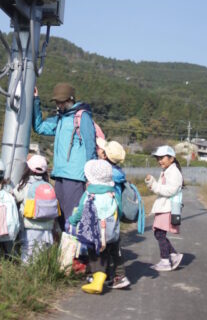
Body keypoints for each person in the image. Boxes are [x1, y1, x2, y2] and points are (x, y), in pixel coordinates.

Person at [32, 83, 97, 228]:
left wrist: (91, 178)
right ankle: (67, 249)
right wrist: (36, 100)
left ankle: (77, 250)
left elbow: (90, 146)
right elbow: (39, 127)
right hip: (60, 175)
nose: (59, 105)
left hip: (75, 176)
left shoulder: (82, 117)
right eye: (57, 102)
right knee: (60, 219)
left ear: (70, 99)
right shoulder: (60, 118)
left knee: (73, 219)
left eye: (62, 102)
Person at [68, 159, 120, 294]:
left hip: (94, 232)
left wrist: (73, 221)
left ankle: (98, 280)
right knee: (106, 252)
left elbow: (80, 212)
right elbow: (119, 210)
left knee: (95, 255)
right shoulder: (113, 193)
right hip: (111, 231)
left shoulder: (89, 194)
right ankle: (106, 276)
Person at [96, 138, 130, 289]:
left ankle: (113, 276)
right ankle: (115, 275)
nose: (98, 150)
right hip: (114, 212)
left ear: (105, 156)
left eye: (101, 150)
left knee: (107, 243)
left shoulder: (108, 174)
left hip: (107, 212)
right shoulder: (118, 172)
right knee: (113, 243)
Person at [145, 145, 184, 271]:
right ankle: (173, 255)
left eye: (162, 158)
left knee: (159, 233)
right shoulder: (167, 171)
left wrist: (154, 185)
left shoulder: (174, 172)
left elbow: (169, 190)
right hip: (164, 206)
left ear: (171, 158)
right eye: (158, 158)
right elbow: (160, 188)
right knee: (159, 233)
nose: (159, 160)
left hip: (168, 207)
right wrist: (151, 182)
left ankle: (165, 260)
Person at [13, 154, 57, 262]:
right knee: (41, 252)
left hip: (30, 224)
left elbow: (16, 196)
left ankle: (26, 274)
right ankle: (40, 271)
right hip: (47, 226)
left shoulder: (25, 184)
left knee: (28, 251)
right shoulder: (49, 186)